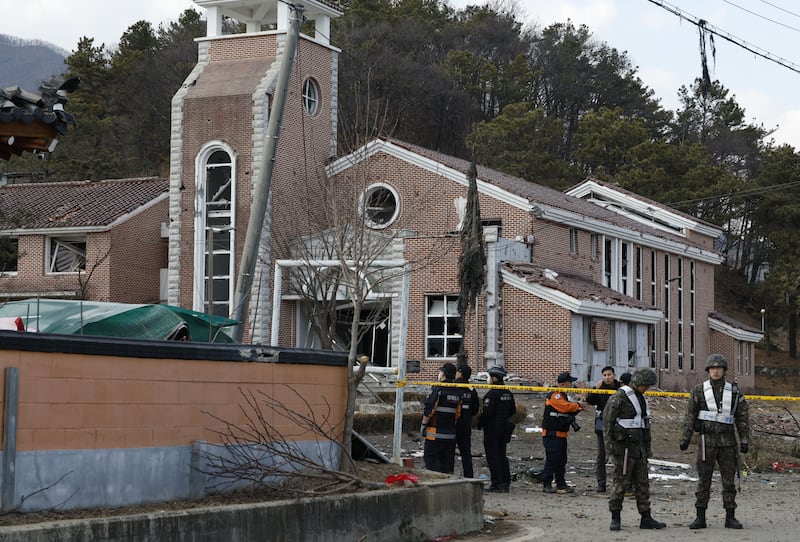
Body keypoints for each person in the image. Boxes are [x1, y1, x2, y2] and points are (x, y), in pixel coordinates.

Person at [680, 354, 750, 530]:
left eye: (719, 368)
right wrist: (685, 439)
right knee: (704, 480)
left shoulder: (733, 391)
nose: (716, 371)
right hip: (706, 442)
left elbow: (742, 417)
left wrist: (744, 440)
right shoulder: (698, 391)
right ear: (708, 371)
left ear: (724, 370)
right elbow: (690, 416)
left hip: (728, 443)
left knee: (729, 481)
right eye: (712, 368)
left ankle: (730, 516)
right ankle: (700, 516)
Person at [603, 367, 666, 531]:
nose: (647, 388)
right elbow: (608, 424)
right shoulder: (619, 398)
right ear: (638, 382)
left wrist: (647, 448)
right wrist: (610, 447)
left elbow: (644, 425)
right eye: (645, 385)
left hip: (639, 449)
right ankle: (615, 517)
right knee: (620, 483)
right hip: (622, 449)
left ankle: (646, 517)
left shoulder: (641, 399)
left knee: (642, 483)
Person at [540, 372, 587, 494]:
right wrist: (577, 405)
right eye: (569, 382)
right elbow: (564, 407)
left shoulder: (563, 396)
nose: (571, 384)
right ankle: (547, 483)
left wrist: (578, 408)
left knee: (561, 460)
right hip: (552, 434)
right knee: (552, 459)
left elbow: (566, 411)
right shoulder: (555, 395)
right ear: (562, 384)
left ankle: (561, 483)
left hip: (560, 434)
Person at [477, 365, 516, 492]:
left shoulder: (492, 393)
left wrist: (480, 423)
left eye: (489, 377)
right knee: (502, 455)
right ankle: (505, 482)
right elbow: (513, 410)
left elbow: (487, 413)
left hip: (492, 429)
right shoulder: (508, 393)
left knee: (493, 456)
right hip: (504, 428)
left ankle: (497, 483)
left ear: (494, 378)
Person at [421, 363, 462, 473]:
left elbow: (429, 409)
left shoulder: (438, 389)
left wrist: (423, 425)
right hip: (450, 435)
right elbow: (457, 414)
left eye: (440, 372)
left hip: (434, 435)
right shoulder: (457, 391)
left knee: (431, 462)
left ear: (443, 374)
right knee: (446, 466)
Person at [586, 365, 621, 492]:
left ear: (614, 375)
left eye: (609, 375)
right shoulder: (600, 388)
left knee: (618, 455)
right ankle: (601, 483)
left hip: (618, 427)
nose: (607, 378)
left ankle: (619, 483)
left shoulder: (620, 388)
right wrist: (595, 388)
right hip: (602, 426)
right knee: (601, 456)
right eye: (605, 375)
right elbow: (589, 400)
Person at [455, 364, 480, 478]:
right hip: (466, 425)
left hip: (453, 424)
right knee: (466, 452)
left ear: (460, 373)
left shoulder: (453, 387)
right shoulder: (471, 389)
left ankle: (449, 474)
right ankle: (468, 476)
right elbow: (475, 409)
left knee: (449, 452)